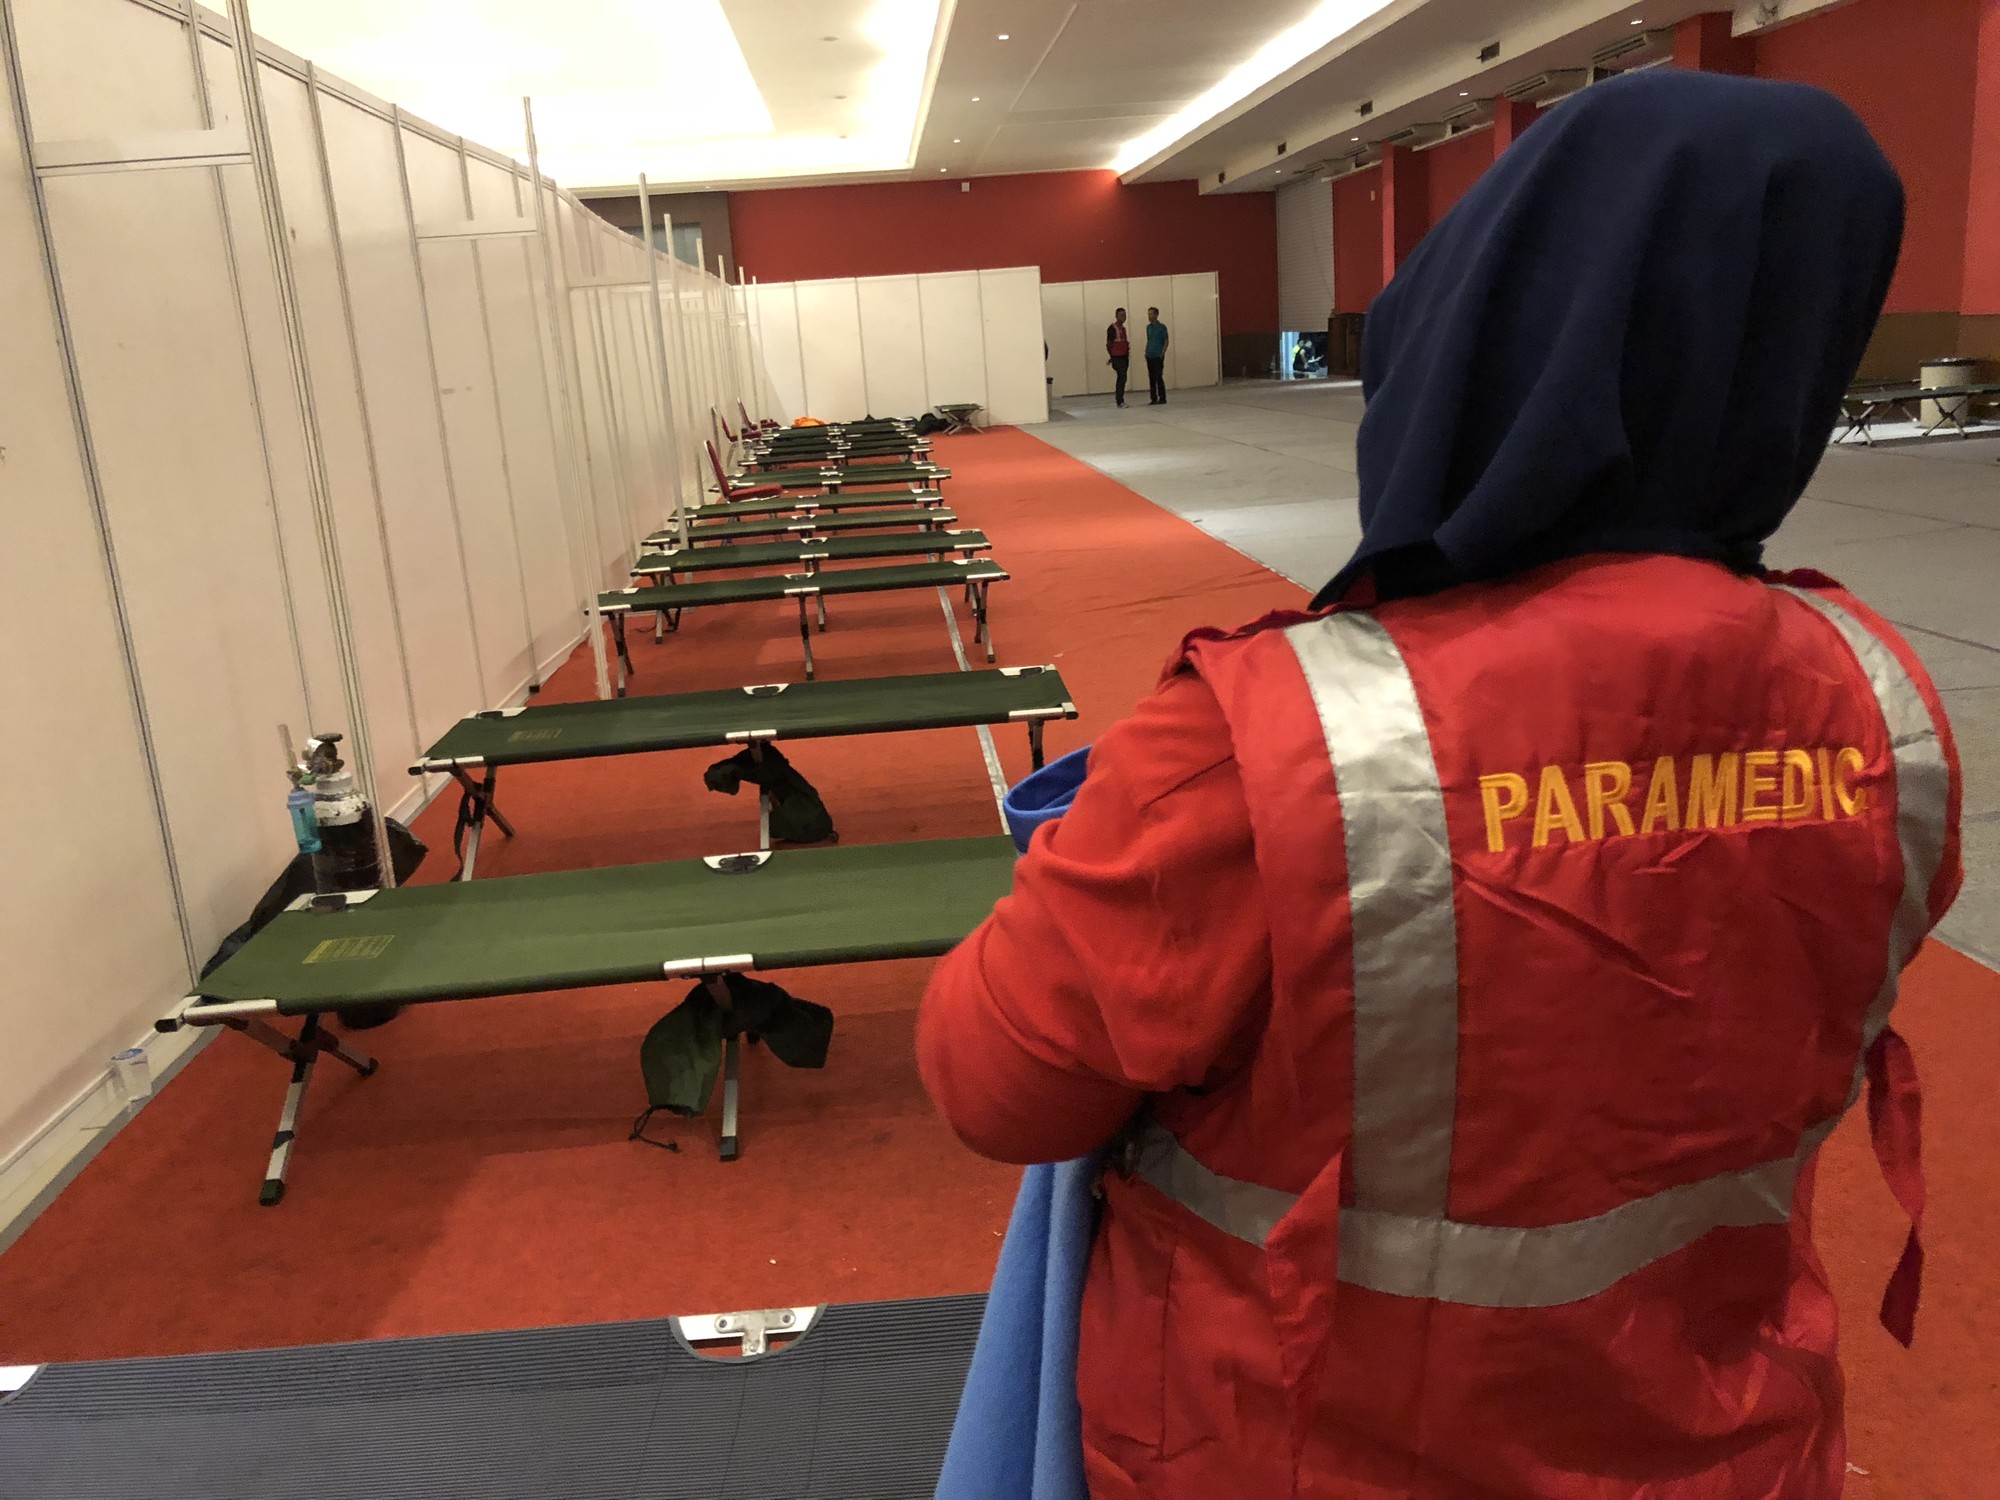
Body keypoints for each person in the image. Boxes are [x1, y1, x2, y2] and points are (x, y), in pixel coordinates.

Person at [919, 68, 1961, 1500]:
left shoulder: (1269, 739)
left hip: (1287, 1454)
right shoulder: (1878, 707)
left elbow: (993, 1082)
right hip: (1726, 1446)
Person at [1105, 308, 1131, 407]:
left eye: (1124, 315)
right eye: (1121, 315)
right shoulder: (1112, 328)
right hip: (1117, 356)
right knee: (1121, 377)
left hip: (1124, 356)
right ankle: (1119, 401)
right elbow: (1109, 344)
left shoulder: (1123, 329)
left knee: (1123, 378)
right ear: (1116, 316)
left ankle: (1120, 399)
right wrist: (1112, 356)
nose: (1123, 317)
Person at [1143, 308, 1169, 405]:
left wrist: (1163, 352)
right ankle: (1153, 398)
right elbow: (1149, 339)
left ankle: (1162, 397)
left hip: (1158, 355)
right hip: (1150, 355)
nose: (1149, 316)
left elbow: (1166, 340)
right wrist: (1146, 351)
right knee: (1151, 377)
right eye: (1148, 314)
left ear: (1156, 315)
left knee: (1158, 376)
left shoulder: (1162, 327)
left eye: (1151, 314)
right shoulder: (1148, 327)